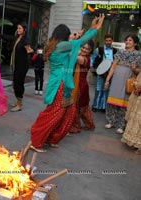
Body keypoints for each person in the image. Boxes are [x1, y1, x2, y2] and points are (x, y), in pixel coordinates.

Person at [30, 14, 104, 153]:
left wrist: (86, 31)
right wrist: (95, 29)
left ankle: (52, 138)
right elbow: (80, 43)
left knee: (68, 113)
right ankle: (37, 140)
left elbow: (76, 41)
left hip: (63, 83)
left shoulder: (55, 44)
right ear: (65, 36)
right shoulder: (62, 45)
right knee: (54, 113)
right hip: (60, 84)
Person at [104, 34, 141, 134]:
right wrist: (107, 80)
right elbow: (113, 67)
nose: (127, 42)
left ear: (135, 43)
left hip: (128, 80)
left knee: (124, 104)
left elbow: (139, 71)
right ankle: (111, 121)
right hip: (116, 79)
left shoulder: (138, 54)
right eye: (126, 40)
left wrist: (134, 69)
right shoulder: (120, 52)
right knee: (112, 101)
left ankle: (121, 125)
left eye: (130, 40)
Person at [0, 22, 34, 112]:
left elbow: (29, 50)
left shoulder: (25, 39)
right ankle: (18, 101)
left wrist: (31, 51)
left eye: (20, 28)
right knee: (15, 83)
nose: (18, 30)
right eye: (17, 28)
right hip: (17, 64)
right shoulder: (17, 38)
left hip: (23, 65)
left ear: (24, 30)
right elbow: (8, 38)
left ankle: (19, 104)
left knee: (19, 84)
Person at [69, 40, 95, 133]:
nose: (84, 50)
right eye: (83, 47)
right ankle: (89, 124)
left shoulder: (86, 59)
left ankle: (75, 126)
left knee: (77, 106)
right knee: (83, 106)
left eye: (87, 49)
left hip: (80, 86)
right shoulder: (82, 56)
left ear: (90, 51)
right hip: (77, 83)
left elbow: (74, 57)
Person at [91, 34, 117, 112]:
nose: (108, 42)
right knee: (98, 89)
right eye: (107, 40)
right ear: (104, 40)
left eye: (110, 40)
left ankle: (103, 107)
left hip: (110, 73)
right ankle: (95, 106)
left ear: (112, 41)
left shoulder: (115, 51)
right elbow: (92, 59)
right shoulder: (99, 49)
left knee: (106, 90)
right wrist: (92, 67)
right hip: (101, 72)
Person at [121, 72, 141, 154]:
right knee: (135, 118)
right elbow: (137, 79)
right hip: (137, 98)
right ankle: (134, 142)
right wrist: (136, 86)